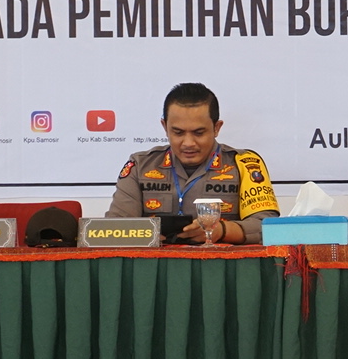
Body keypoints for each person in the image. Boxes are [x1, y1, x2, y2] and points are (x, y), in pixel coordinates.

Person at [107, 82, 279, 243]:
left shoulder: (245, 164)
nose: (188, 143)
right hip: (154, 262)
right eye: (178, 132)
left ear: (217, 128)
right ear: (165, 127)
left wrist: (222, 231)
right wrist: (145, 234)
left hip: (221, 263)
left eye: (198, 133)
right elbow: (113, 228)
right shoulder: (140, 166)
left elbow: (268, 226)